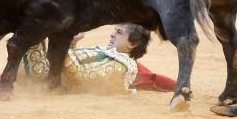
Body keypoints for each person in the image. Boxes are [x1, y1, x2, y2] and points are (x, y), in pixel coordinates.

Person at [18, 24, 176, 94]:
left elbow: (77, 72)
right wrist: (71, 43)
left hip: (43, 80)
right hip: (48, 76)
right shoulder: (117, 59)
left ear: (132, 44)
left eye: (119, 32)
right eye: (115, 30)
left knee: (34, 19)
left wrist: (62, 38)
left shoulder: (119, 64)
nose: (112, 34)